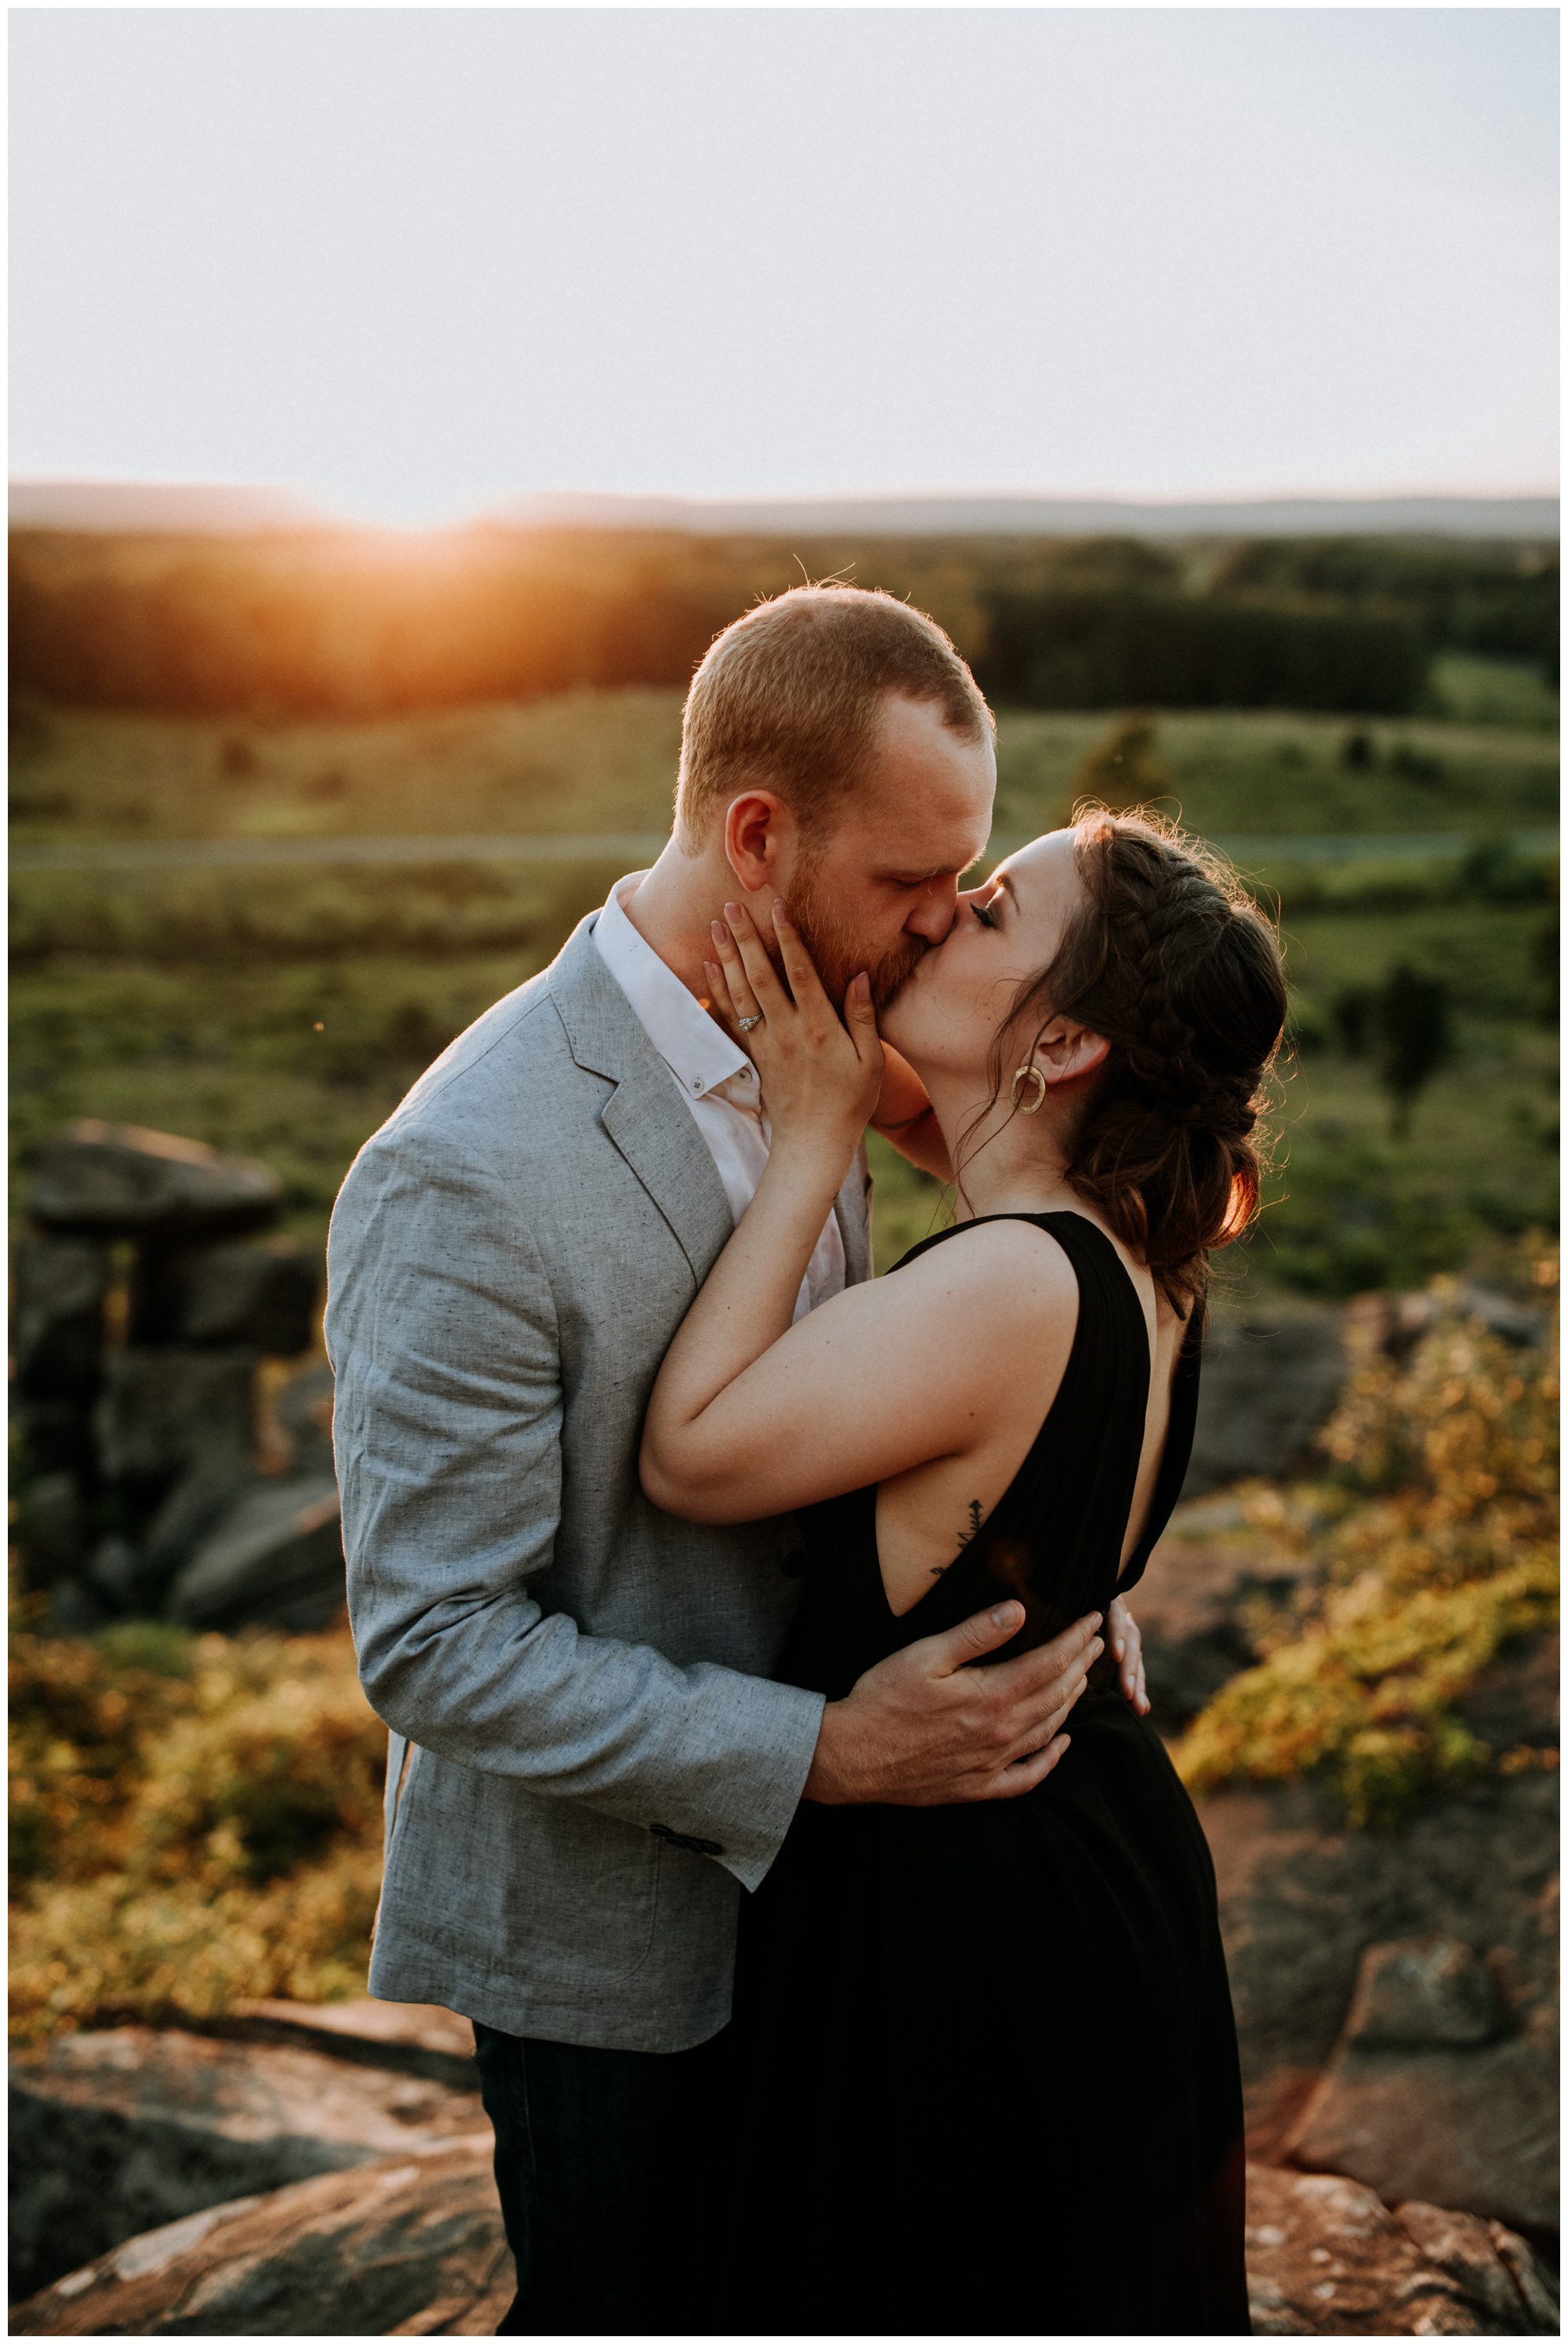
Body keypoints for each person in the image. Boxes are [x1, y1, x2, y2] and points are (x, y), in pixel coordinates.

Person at [325, 586, 1150, 2337]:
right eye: (909, 882)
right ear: (757, 838)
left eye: (969, 880)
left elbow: (985, 1320)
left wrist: (1041, 1558)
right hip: (612, 1956)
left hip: (854, 1932)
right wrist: (825, 1757)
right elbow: (432, 1643)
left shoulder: (856, 1029)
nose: (944, 927)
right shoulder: (464, 1168)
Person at [641, 807, 1288, 2336]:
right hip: (1091, 1863)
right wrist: (864, 1057)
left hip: (970, 1928)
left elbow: (691, 1453)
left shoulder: (1004, 1279)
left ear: (1062, 1045)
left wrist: (804, 1137)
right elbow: (958, 1120)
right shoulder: (1133, 1244)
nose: (939, 919)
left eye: (990, 912)